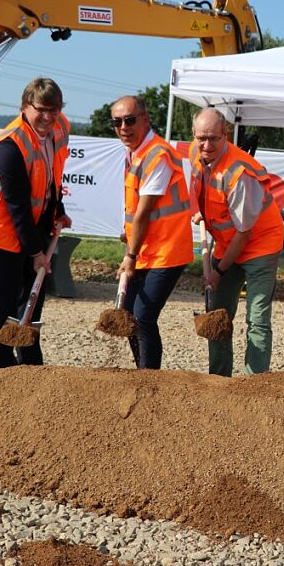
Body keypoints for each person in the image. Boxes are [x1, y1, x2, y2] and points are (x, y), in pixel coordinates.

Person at [0, 77, 71, 370]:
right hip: (0, 228)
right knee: (5, 301)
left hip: (35, 221)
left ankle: (29, 364)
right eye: (41, 109)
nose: (47, 117)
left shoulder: (58, 128)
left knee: (33, 297)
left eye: (54, 110)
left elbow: (53, 175)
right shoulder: (9, 146)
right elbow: (16, 205)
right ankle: (1, 369)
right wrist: (35, 252)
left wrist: (58, 210)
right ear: (25, 106)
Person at [189, 109, 284, 376]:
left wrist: (218, 272)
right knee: (219, 312)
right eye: (201, 138)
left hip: (260, 245)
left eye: (212, 139)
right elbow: (198, 186)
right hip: (228, 241)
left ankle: (256, 383)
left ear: (225, 135)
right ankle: (219, 379)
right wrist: (199, 211)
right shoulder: (197, 155)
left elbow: (244, 233)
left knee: (257, 319)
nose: (206, 145)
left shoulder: (240, 174)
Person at [112, 95, 192, 369]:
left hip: (168, 250)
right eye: (117, 122)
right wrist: (130, 237)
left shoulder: (158, 154)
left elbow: (145, 211)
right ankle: (142, 372)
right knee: (129, 313)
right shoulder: (135, 152)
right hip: (148, 247)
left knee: (143, 316)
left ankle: (150, 379)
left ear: (145, 119)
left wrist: (130, 255)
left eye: (130, 120)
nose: (123, 127)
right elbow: (136, 211)